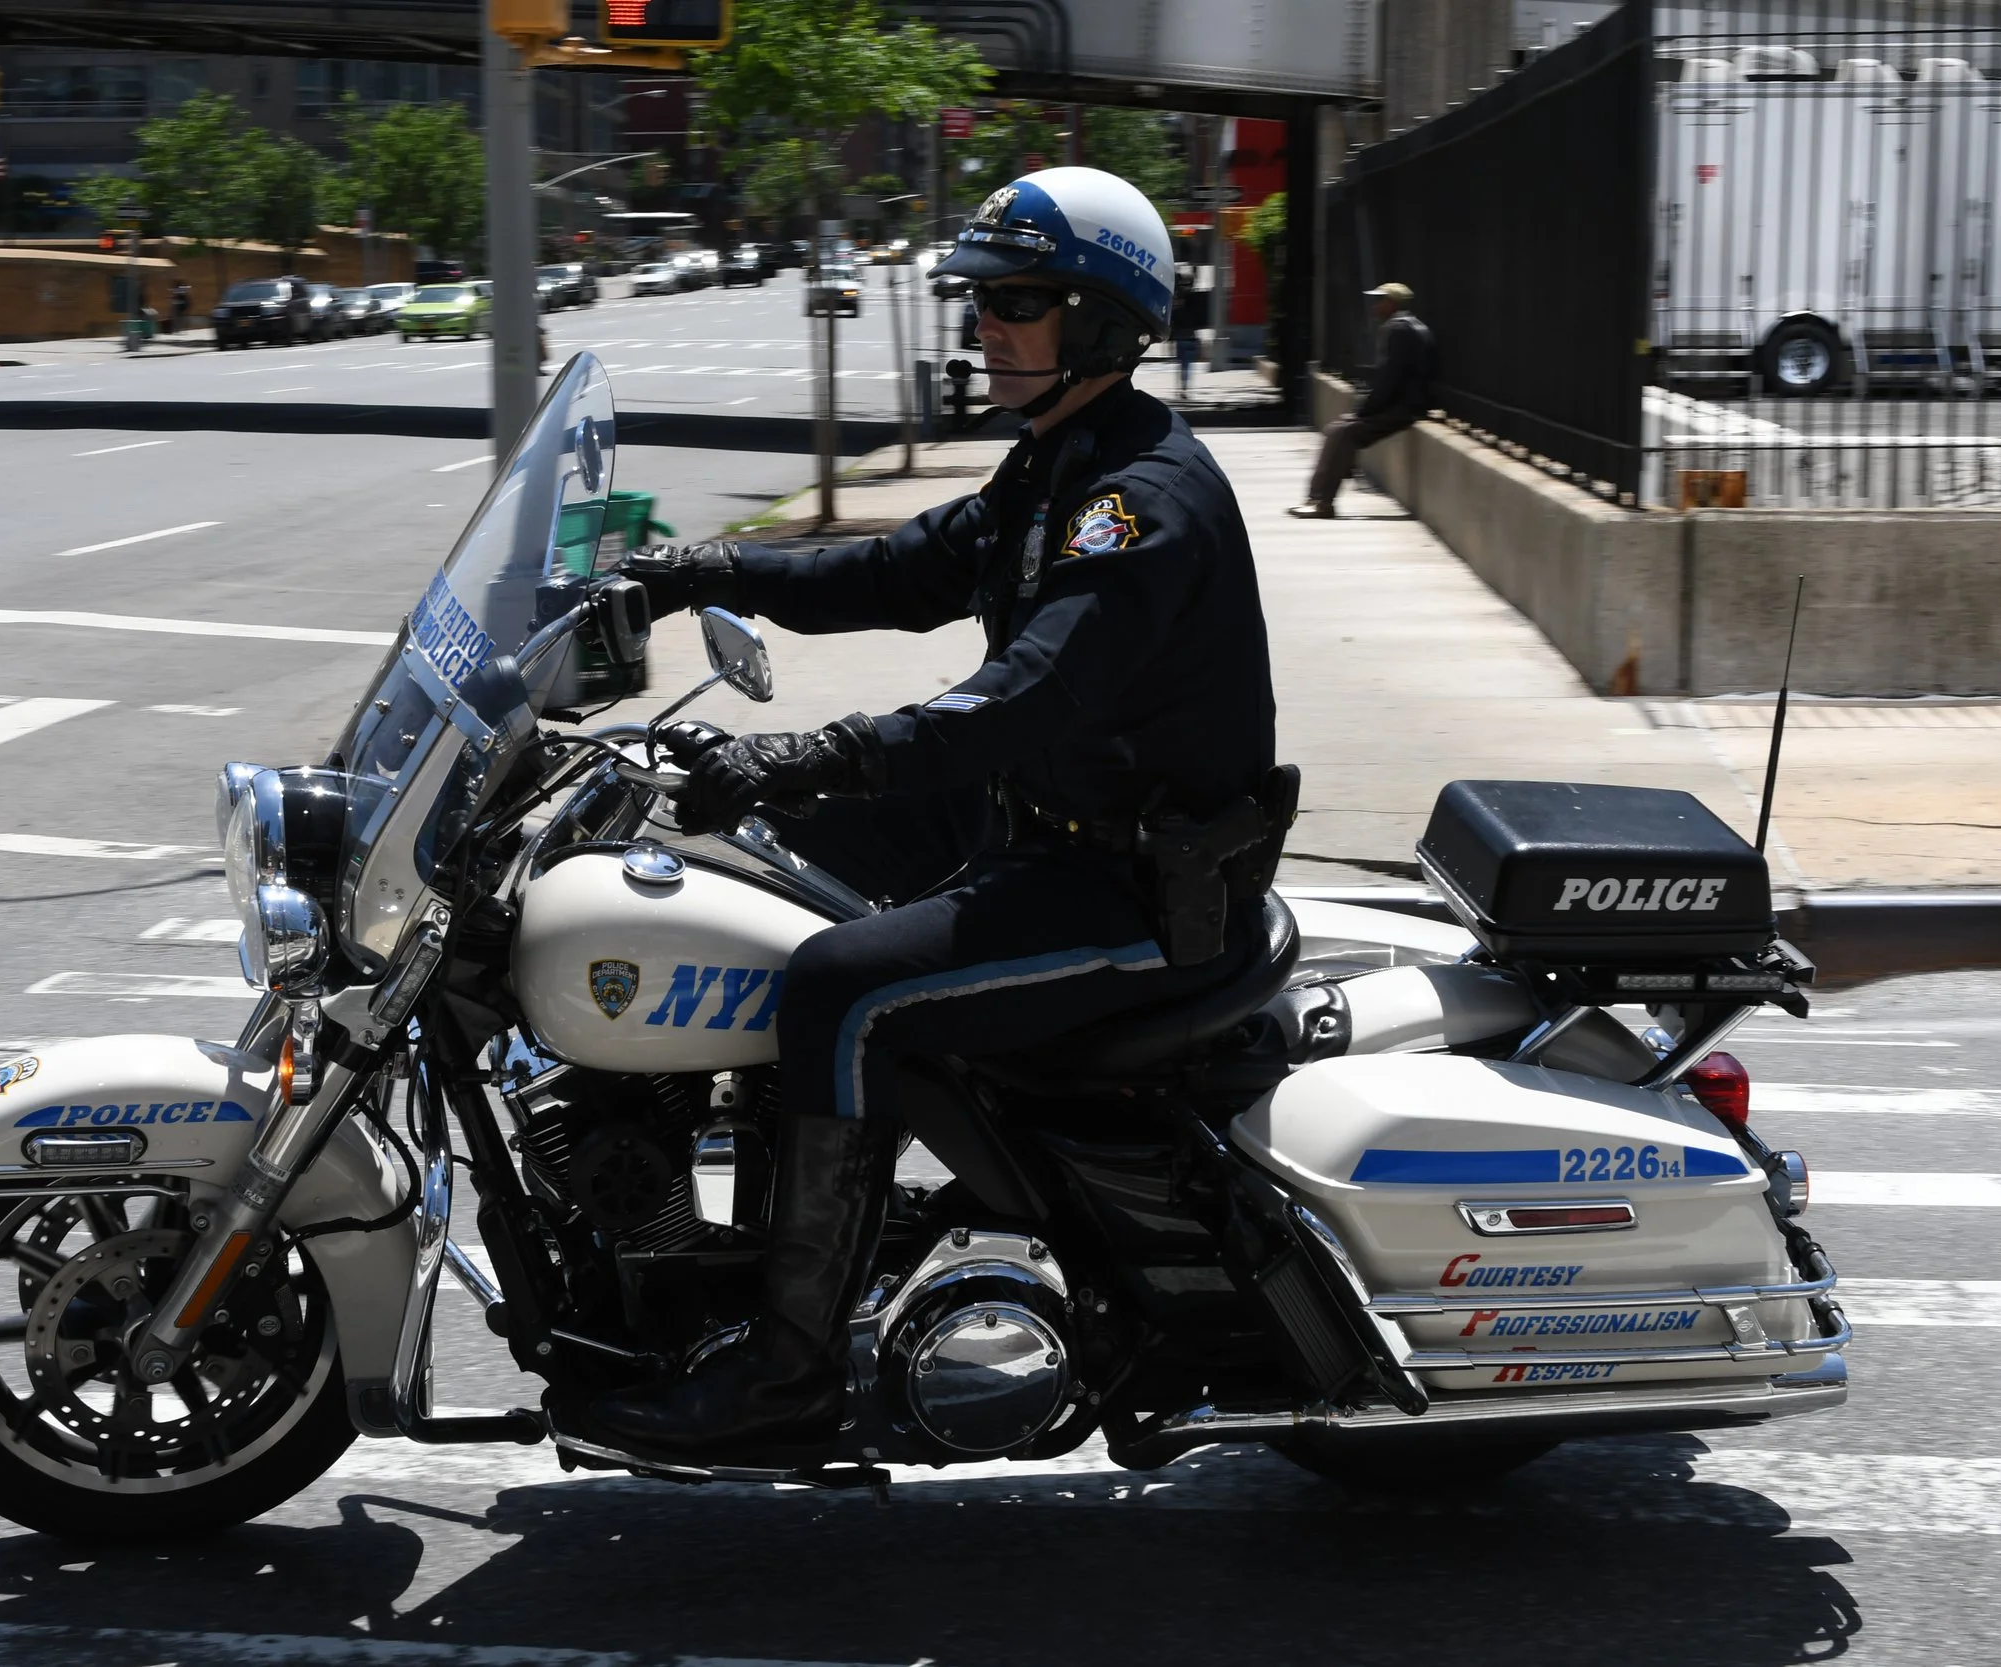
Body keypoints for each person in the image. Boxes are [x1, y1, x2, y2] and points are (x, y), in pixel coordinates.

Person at [598, 167, 1282, 1454]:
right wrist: (707, 566)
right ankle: (709, 1247)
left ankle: (789, 1379)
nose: (987, 326)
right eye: (982, 301)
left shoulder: (1139, 503)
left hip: (1137, 890)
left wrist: (810, 752)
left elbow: (1022, 700)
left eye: (1018, 302)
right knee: (723, 863)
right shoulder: (1058, 463)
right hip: (1044, 825)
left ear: (1097, 320)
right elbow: (901, 568)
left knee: (841, 988)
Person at [1289, 281, 1435, 519]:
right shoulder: (1410, 327)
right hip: (1408, 403)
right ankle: (1322, 494)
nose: (1374, 306)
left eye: (1379, 301)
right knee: (1339, 430)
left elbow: (1389, 379)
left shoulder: (1398, 329)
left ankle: (1321, 501)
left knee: (1342, 432)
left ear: (1390, 304)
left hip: (1405, 408)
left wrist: (1363, 412)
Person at [1172, 266, 1207, 397]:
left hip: (1181, 339)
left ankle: (1182, 387)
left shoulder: (1177, 309)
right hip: (1190, 338)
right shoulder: (1193, 308)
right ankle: (1185, 387)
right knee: (1187, 366)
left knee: (1182, 365)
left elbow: (1173, 324)